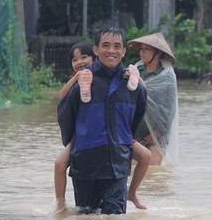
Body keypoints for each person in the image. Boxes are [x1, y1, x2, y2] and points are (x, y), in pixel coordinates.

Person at [57, 27, 148, 215]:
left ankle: (131, 194)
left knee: (114, 215)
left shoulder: (134, 87)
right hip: (85, 163)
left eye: (117, 46)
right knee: (86, 214)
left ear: (123, 51)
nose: (111, 50)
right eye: (106, 45)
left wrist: (123, 139)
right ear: (96, 50)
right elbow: (66, 114)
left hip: (117, 164)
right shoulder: (81, 83)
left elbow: (137, 118)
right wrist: (76, 141)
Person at [127, 32, 179, 166]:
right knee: (133, 173)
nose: (142, 52)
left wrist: (158, 133)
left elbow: (170, 109)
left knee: (154, 174)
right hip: (136, 133)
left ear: (158, 53)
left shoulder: (167, 77)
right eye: (141, 49)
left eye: (147, 49)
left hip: (158, 134)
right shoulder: (135, 72)